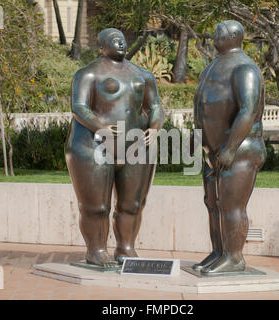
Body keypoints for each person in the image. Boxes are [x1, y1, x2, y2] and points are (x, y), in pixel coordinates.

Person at [65, 28, 164, 268]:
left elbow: (155, 106)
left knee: (133, 204)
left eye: (122, 39)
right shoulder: (88, 74)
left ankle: (126, 248)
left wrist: (155, 127)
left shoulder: (143, 75)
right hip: (94, 145)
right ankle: (96, 250)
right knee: (96, 206)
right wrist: (101, 127)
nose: (120, 43)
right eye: (113, 40)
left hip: (135, 146)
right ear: (101, 46)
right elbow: (79, 107)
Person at [193, 20, 266, 275]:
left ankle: (234, 257)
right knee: (213, 203)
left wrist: (231, 148)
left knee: (231, 205)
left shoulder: (245, 68)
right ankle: (219, 252)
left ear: (233, 36)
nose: (214, 34)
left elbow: (249, 109)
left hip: (238, 149)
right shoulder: (214, 65)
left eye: (218, 32)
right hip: (212, 152)